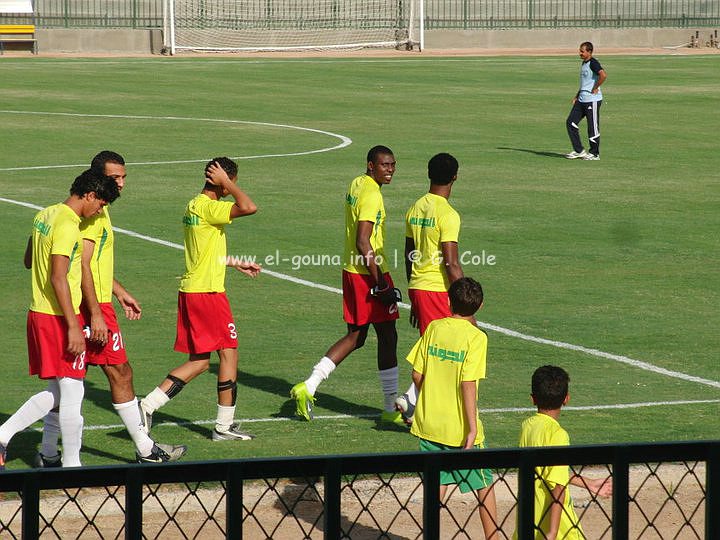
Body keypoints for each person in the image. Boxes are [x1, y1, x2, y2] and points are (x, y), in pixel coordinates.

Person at [34, 151, 187, 466]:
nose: (121, 184)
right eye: (115, 178)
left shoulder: (96, 209)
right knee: (119, 372)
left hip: (96, 301)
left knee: (66, 382)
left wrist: (119, 291)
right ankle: (145, 449)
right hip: (92, 306)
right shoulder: (91, 214)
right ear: (97, 180)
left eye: (124, 177)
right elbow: (84, 266)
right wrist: (97, 313)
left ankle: (47, 451)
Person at [0, 169, 120, 470]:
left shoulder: (45, 214)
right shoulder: (68, 224)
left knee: (59, 391)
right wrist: (73, 326)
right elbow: (58, 277)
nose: (100, 210)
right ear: (90, 195)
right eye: (101, 203)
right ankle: (71, 467)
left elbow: (29, 260)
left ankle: (4, 435)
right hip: (57, 316)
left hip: (38, 312)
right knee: (73, 391)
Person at [139, 157, 261, 441]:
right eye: (232, 181)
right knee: (228, 352)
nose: (233, 186)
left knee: (200, 361)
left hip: (194, 289)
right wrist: (227, 181)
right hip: (207, 294)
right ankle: (224, 426)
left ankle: (147, 406)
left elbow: (203, 250)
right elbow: (249, 207)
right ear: (222, 180)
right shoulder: (210, 207)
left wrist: (233, 262)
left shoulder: (193, 205)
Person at [290, 145, 404, 426]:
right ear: (370, 165)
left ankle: (310, 385)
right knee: (386, 336)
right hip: (369, 271)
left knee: (358, 335)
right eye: (384, 165)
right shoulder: (372, 194)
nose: (389, 170)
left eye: (392, 165)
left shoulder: (357, 183)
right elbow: (363, 241)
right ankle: (390, 407)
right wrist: (381, 284)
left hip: (352, 270)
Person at [406, 277, 498, 539]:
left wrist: (430, 397)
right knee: (484, 485)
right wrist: (471, 428)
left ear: (448, 301)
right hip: (459, 428)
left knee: (436, 483)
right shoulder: (477, 338)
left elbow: (416, 375)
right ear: (480, 306)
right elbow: (468, 383)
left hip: (429, 423)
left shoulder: (434, 328)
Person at [395, 152, 464, 424]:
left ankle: (412, 400)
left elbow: (409, 252)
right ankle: (414, 401)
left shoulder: (416, 207)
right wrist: (467, 299)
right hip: (438, 290)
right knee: (441, 351)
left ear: (428, 174)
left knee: (433, 346)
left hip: (420, 287)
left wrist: (413, 291)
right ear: (455, 177)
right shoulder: (448, 214)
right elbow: (451, 263)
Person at [514, 365, 613, 539]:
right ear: (566, 399)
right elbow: (558, 486)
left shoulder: (527, 426)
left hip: (528, 524)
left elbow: (547, 470)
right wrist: (552, 533)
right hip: (560, 531)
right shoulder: (558, 435)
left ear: (533, 399)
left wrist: (588, 483)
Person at [565, 42, 607, 161]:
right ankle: (579, 151)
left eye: (582, 51)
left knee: (592, 127)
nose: (580, 53)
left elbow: (603, 75)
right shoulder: (584, 63)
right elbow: (585, 82)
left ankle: (594, 154)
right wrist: (577, 96)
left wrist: (595, 87)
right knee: (571, 122)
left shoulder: (593, 63)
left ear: (589, 52)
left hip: (592, 100)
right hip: (582, 99)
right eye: (580, 51)